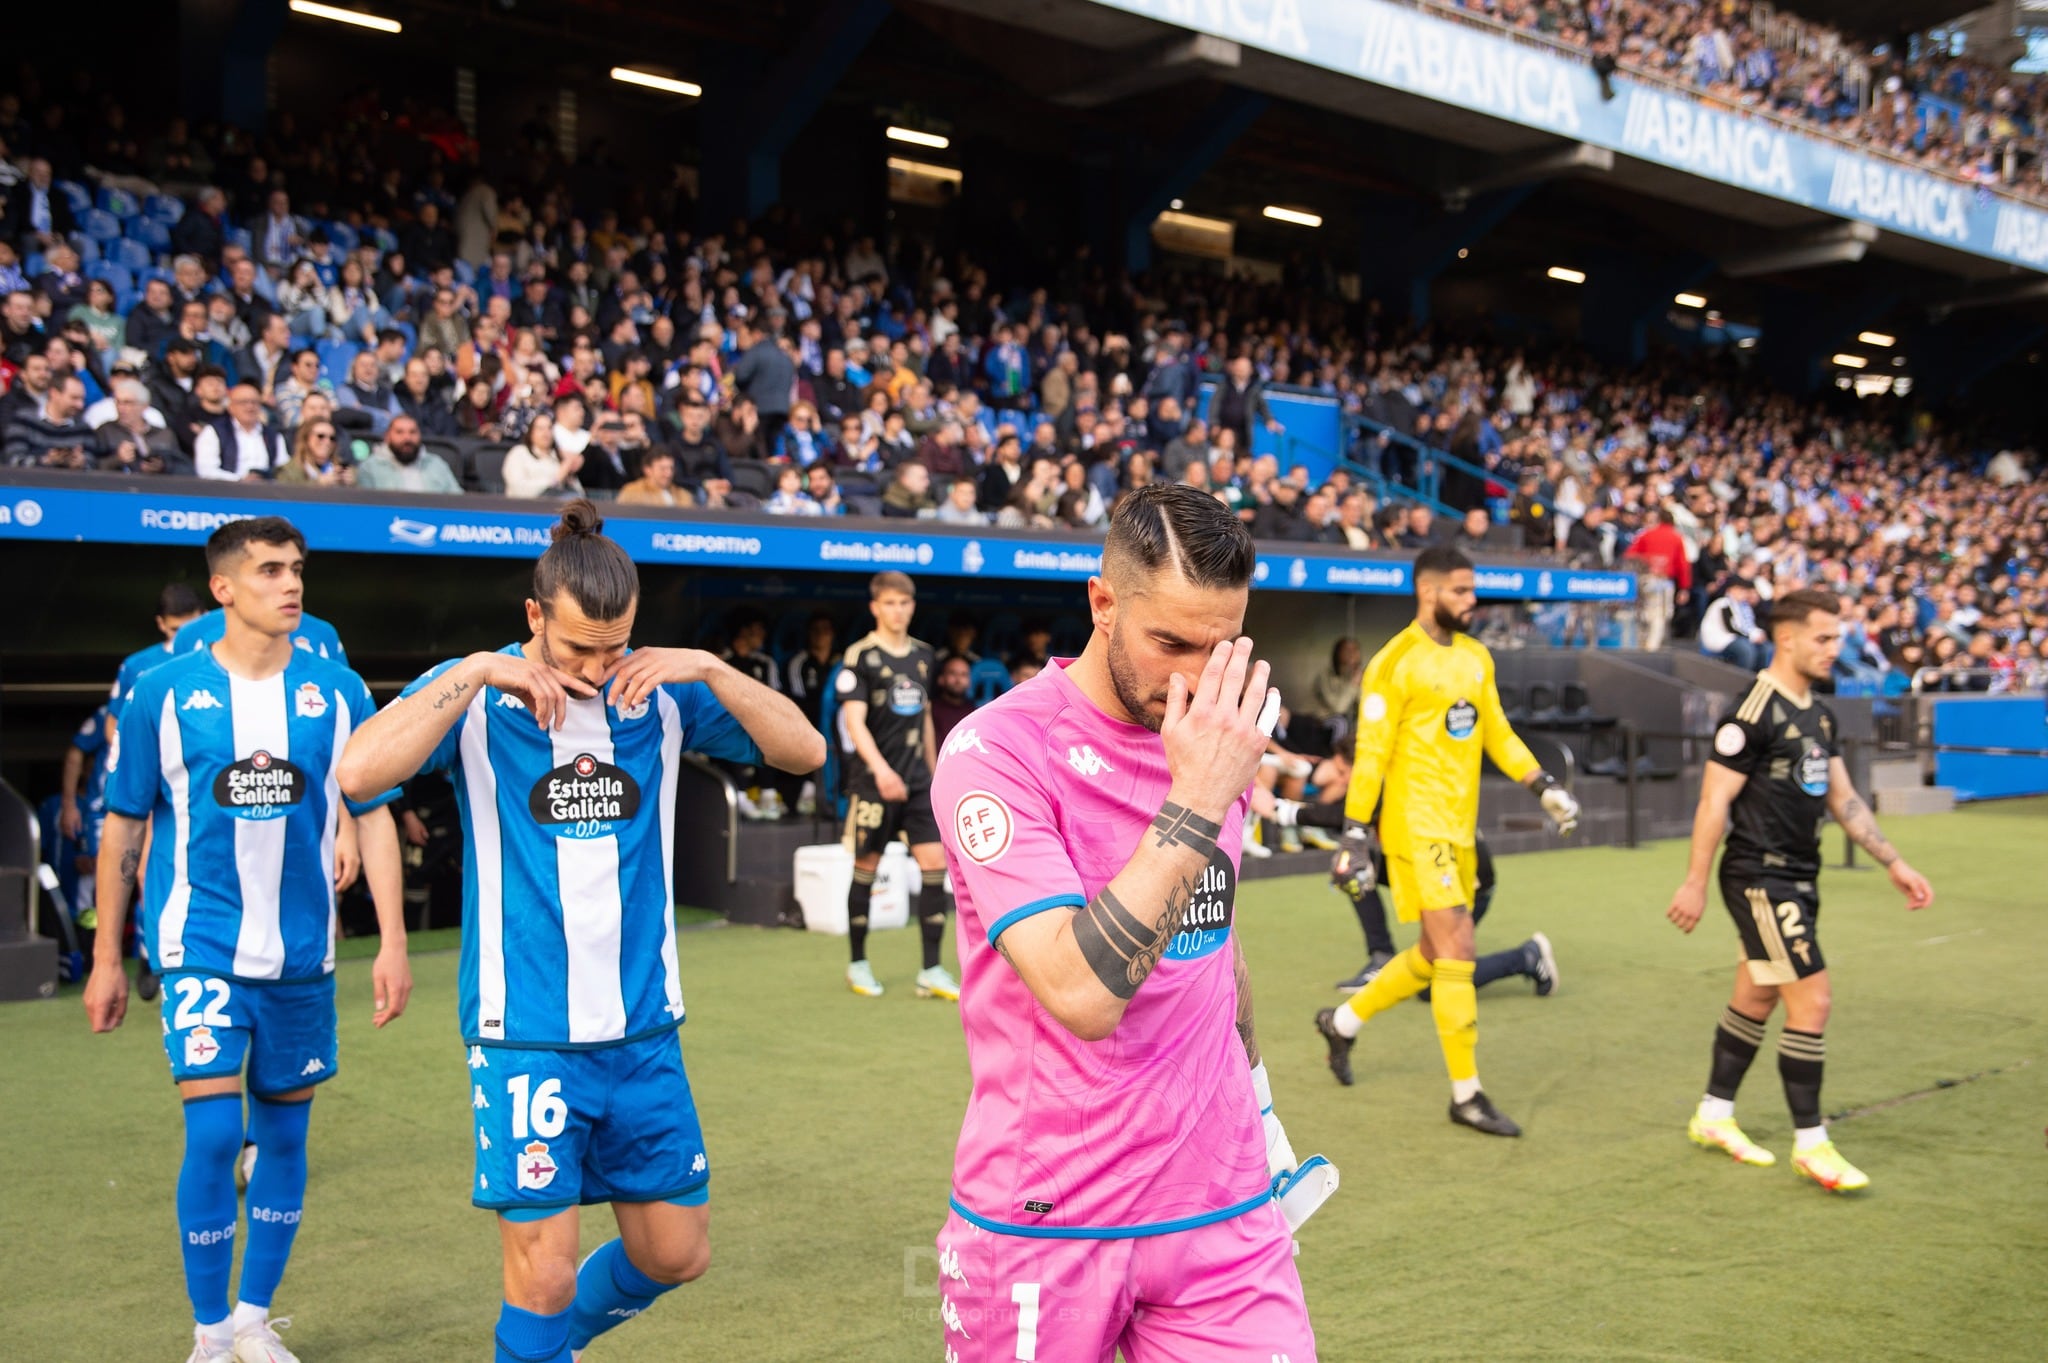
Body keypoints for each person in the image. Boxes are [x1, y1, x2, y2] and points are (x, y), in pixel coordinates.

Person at [337, 500, 823, 1363]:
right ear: (534, 617)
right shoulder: (481, 698)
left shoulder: (661, 694)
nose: (600, 667)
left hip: (643, 1031)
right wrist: (479, 669)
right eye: (577, 649)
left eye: (616, 645)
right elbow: (360, 769)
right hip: (526, 1031)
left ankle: (545, 1347)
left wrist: (710, 667)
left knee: (676, 1253)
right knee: (544, 1274)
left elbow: (805, 751)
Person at [928, 484, 1320, 1361]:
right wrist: (1197, 796)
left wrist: (1258, 1104)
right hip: (1048, 1219)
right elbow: (1079, 990)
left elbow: (1210, 935)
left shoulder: (1218, 733)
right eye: (1170, 641)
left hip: (1221, 1210)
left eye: (1220, 647)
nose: (1195, 676)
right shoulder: (997, 753)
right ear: (1103, 603)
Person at [82, 517, 412, 1363]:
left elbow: (370, 816)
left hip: (302, 954)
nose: (290, 584)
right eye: (269, 571)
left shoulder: (336, 690)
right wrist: (108, 957)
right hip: (200, 946)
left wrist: (393, 940)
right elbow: (122, 826)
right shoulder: (162, 690)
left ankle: (254, 1321)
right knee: (218, 1136)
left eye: (297, 569)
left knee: (288, 1138)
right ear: (223, 589)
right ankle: (207, 1332)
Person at [1666, 588, 1934, 1192]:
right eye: (1823, 637)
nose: (1834, 649)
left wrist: (1894, 862)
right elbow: (1714, 801)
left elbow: (1844, 798)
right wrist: (1693, 883)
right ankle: (1812, 1144)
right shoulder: (1751, 712)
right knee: (1812, 1002)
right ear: (1786, 638)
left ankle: (1713, 1115)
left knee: (1756, 1000)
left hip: (1799, 876)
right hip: (1759, 877)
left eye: (1837, 637)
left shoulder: (1820, 712)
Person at [1313, 545, 1581, 1136]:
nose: (1472, 600)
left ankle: (1344, 1022)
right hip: (1415, 828)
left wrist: (1542, 785)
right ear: (1428, 591)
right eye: (1461, 591)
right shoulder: (1393, 662)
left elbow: (1499, 733)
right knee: (1458, 949)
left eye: (1472, 589)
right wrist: (1356, 834)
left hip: (1459, 827)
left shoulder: (1475, 658)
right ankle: (1466, 1095)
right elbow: (1371, 756)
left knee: (1435, 955)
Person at [835, 572, 956, 1000]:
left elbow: (922, 717)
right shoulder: (861, 656)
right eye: (889, 603)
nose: (897, 611)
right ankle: (858, 962)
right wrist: (882, 771)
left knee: (934, 870)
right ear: (875, 607)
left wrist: (934, 770)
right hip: (873, 784)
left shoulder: (924, 655)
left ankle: (931, 969)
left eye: (904, 603)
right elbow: (854, 723)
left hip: (919, 784)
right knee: (866, 870)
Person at [354, 414, 462, 495]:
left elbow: (458, 501)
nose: (407, 438)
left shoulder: (437, 464)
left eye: (412, 432)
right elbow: (364, 508)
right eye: (399, 432)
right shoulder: (370, 467)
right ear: (387, 437)